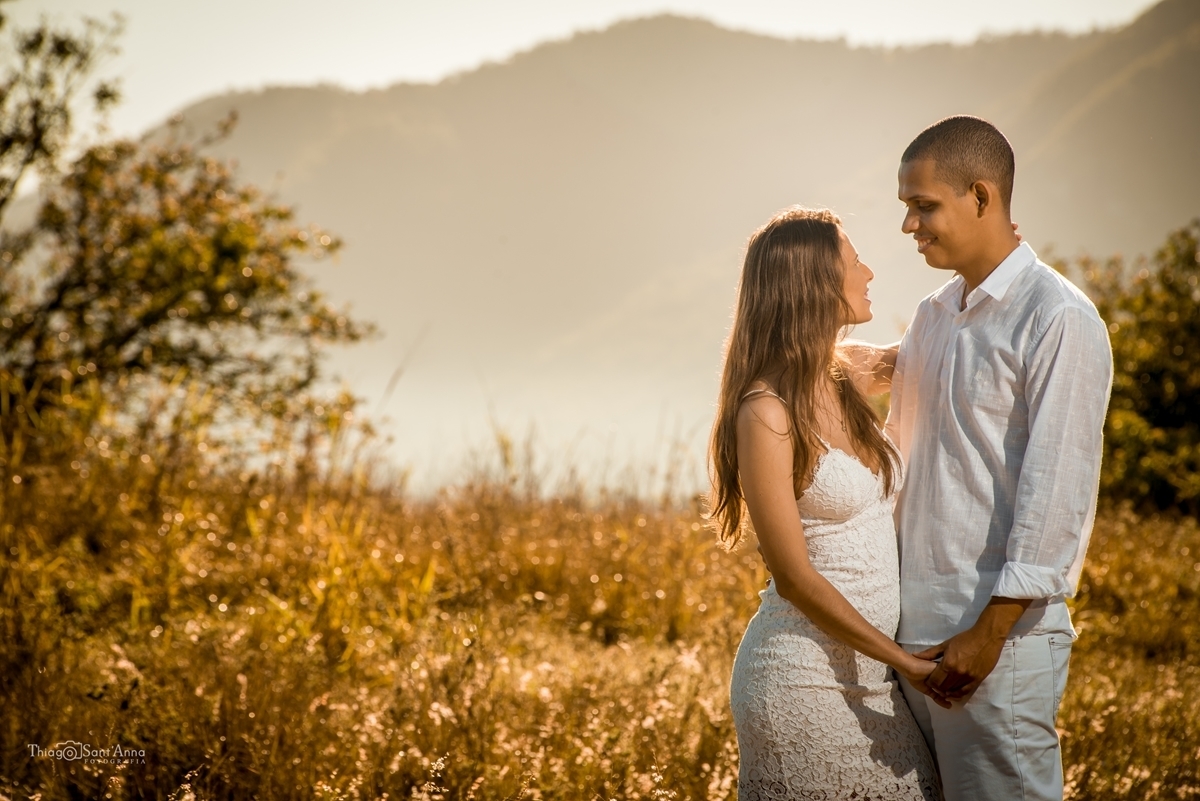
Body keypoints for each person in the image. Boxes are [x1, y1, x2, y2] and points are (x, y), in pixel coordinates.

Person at [887, 115, 1113, 800]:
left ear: (981, 196)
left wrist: (989, 631)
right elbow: (903, 461)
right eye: (907, 208)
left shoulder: (1058, 317)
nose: (909, 227)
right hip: (909, 639)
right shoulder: (932, 313)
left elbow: (1057, 486)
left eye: (923, 206)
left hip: (995, 642)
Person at [710, 206, 942, 800]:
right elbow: (792, 577)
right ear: (815, 284)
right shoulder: (766, 412)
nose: (868, 272)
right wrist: (907, 662)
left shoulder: (847, 372)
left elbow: (949, 345)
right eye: (852, 260)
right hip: (799, 683)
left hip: (874, 682)